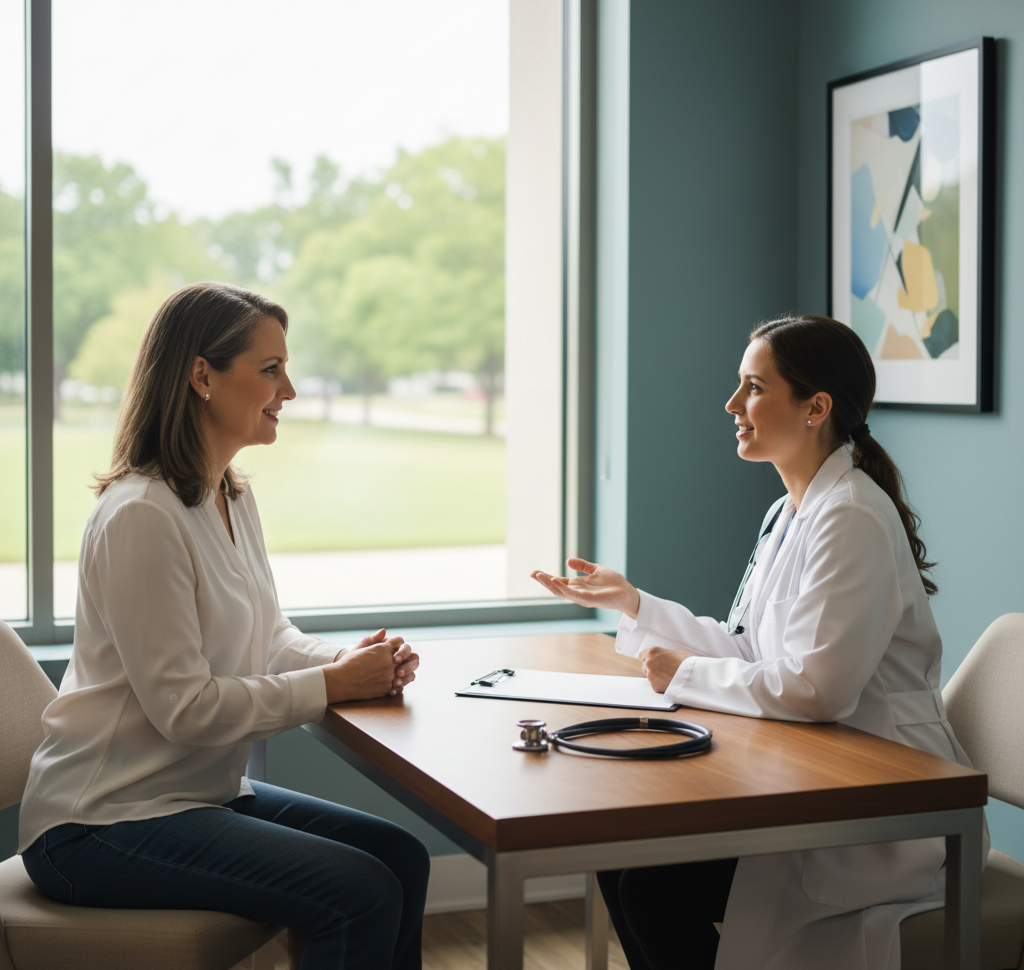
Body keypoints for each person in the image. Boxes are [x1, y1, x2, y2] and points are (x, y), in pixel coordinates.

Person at [531, 313, 985, 970]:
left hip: (880, 806)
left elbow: (815, 690)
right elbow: (750, 648)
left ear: (815, 408)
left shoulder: (850, 516)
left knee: (651, 887)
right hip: (813, 776)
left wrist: (681, 673)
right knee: (627, 863)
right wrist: (633, 603)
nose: (732, 404)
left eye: (753, 387)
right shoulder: (790, 510)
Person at [18, 281, 429, 970]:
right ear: (201, 375)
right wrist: (332, 684)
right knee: (360, 892)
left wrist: (354, 662)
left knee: (401, 857)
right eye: (271, 369)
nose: (290, 390)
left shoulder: (230, 492)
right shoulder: (141, 515)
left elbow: (270, 640)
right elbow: (186, 708)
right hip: (99, 823)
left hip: (192, 797)